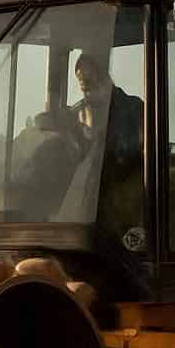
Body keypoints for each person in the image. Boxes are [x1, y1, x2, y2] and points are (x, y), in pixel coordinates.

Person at [71, 54, 146, 245]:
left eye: (89, 81)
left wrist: (97, 136)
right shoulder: (77, 114)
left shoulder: (135, 110)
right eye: (81, 83)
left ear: (105, 79)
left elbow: (132, 159)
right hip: (86, 208)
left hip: (128, 205)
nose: (84, 88)